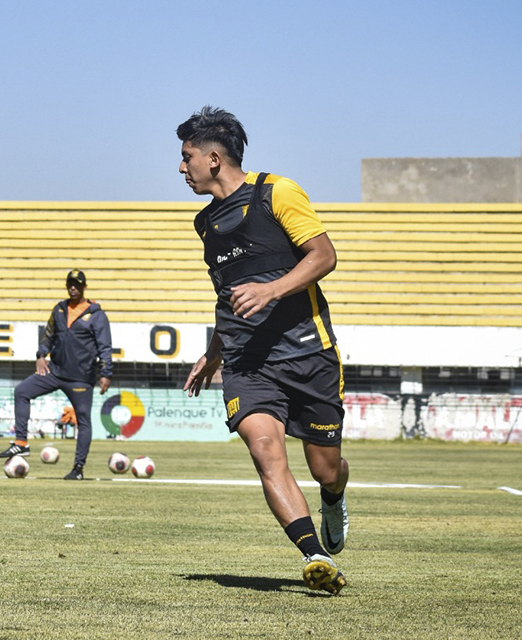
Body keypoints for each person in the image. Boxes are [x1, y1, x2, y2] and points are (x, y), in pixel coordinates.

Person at [177, 106, 350, 595]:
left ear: (213, 158)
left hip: (307, 353)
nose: (181, 167)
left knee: (325, 468)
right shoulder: (205, 223)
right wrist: (213, 351)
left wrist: (273, 290)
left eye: (186, 157)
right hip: (247, 362)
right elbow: (227, 294)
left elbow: (324, 256)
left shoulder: (278, 191)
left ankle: (334, 499)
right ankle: (315, 556)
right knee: (265, 450)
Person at [0, 270, 112, 481]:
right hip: (55, 371)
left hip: (81, 377)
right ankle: (21, 443)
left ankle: (78, 468)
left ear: (84, 287)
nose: (73, 288)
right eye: (70, 284)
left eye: (77, 284)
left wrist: (106, 373)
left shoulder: (96, 314)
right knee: (22, 391)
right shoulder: (59, 309)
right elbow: (48, 335)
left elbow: (105, 346)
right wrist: (41, 355)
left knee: (83, 420)